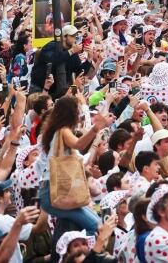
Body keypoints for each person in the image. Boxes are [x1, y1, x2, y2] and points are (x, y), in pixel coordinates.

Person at [38, 96, 114, 234]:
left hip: (56, 190)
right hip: (53, 191)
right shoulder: (63, 130)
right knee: (95, 226)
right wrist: (95, 129)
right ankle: (90, 254)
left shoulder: (57, 131)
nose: (79, 114)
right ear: (70, 113)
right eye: (77, 110)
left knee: (93, 223)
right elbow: (79, 144)